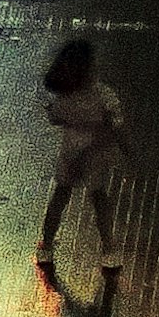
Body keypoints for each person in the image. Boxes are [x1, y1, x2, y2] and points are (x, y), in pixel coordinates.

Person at [37, 39, 126, 283]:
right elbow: (116, 123)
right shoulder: (103, 95)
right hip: (96, 153)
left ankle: (46, 244)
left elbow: (54, 116)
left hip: (72, 152)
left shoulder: (66, 98)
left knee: (61, 196)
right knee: (99, 198)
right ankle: (110, 249)